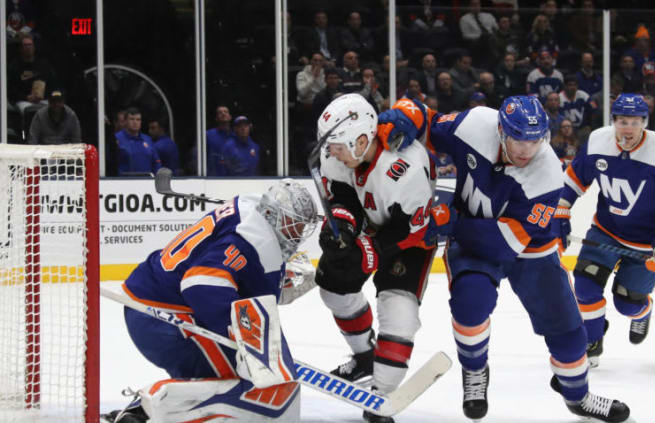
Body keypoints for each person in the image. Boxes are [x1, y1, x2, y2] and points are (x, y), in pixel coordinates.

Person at [377, 95, 631, 422]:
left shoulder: (548, 174)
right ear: (500, 131)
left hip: (530, 249)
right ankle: (475, 371)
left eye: (534, 140)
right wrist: (406, 114)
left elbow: (502, 244)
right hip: (473, 239)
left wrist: (451, 222)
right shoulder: (474, 125)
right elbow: (428, 122)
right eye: (517, 139)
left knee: (568, 333)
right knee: (470, 305)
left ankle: (578, 396)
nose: (526, 150)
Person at [101, 180, 319, 422]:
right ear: (272, 213)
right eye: (293, 225)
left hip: (151, 302)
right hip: (163, 317)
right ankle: (153, 410)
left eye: (301, 227)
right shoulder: (252, 238)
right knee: (251, 386)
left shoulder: (249, 208)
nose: (297, 234)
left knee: (251, 379)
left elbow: (235, 275)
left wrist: (279, 283)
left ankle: (140, 411)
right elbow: (200, 284)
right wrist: (244, 337)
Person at [313, 93, 438, 423]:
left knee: (399, 315)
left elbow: (410, 229)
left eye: (338, 145)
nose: (332, 152)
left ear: (362, 138)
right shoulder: (342, 158)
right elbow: (344, 198)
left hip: (411, 240)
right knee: (332, 287)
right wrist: (340, 227)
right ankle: (365, 357)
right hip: (372, 227)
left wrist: (369, 252)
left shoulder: (403, 167)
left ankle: (381, 394)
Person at [556, 94, 655, 370]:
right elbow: (573, 179)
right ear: (614, 121)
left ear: (644, 122)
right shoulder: (598, 140)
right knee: (584, 286)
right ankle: (592, 343)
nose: (627, 129)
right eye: (622, 121)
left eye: (634, 122)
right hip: (606, 231)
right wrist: (561, 211)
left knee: (627, 304)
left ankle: (644, 311)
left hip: (646, 243)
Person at [115, 108, 161, 176]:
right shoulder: (117, 138)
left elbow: (156, 162)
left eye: (138, 119)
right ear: (125, 121)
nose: (135, 122)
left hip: (147, 181)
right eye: (132, 119)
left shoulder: (147, 139)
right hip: (124, 182)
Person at [206, 105, 233, 176]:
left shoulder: (235, 137)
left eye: (225, 112)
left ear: (230, 117)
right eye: (220, 112)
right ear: (216, 118)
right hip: (212, 179)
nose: (223, 114)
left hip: (233, 180)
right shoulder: (208, 135)